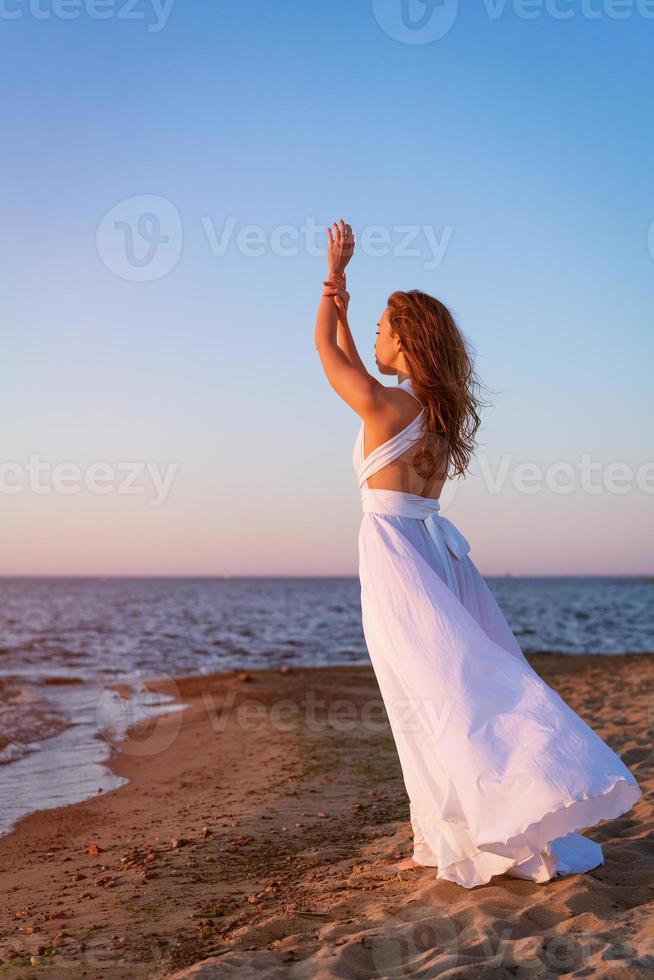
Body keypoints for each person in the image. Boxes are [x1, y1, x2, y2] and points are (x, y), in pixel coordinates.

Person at [314, 218, 642, 888]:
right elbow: (351, 353)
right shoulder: (432, 414)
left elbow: (325, 350)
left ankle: (446, 838)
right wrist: (349, 307)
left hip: (396, 558)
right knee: (450, 692)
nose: (372, 335)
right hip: (435, 555)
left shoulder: (384, 408)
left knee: (421, 699)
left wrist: (334, 279)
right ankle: (449, 832)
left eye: (382, 326)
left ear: (405, 338)